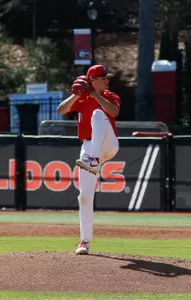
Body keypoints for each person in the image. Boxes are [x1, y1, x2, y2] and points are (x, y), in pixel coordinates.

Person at [57, 65, 121, 255]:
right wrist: (76, 94)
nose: (107, 80)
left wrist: (95, 95)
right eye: (103, 77)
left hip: (108, 145)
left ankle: (92, 159)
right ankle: (84, 241)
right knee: (84, 196)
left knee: (98, 113)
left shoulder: (109, 96)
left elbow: (114, 112)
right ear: (92, 80)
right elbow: (61, 110)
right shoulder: (82, 98)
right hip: (88, 146)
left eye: (107, 77)